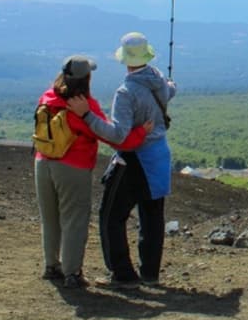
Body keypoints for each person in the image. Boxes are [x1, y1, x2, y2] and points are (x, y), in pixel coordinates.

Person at [68, 32, 176, 290]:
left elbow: (118, 134)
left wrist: (87, 117)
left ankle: (123, 274)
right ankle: (150, 274)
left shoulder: (126, 92)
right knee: (152, 216)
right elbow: (171, 90)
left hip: (135, 158)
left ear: (125, 59)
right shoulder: (159, 79)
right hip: (159, 155)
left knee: (111, 216)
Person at [35, 55, 149, 289]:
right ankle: (72, 273)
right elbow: (115, 138)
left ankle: (51, 266)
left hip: (42, 162)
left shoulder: (48, 98)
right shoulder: (84, 106)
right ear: (86, 78)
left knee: (50, 218)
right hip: (72, 168)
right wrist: (141, 133)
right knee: (74, 220)